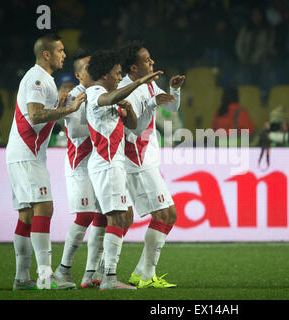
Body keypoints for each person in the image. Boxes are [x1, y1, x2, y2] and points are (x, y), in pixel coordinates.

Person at [6, 33, 87, 290]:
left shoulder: (43, 79)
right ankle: (44, 276)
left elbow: (43, 112)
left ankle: (22, 278)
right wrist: (68, 109)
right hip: (27, 154)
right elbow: (36, 115)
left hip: (24, 154)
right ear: (47, 54)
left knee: (27, 213)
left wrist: (59, 104)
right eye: (61, 50)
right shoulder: (38, 77)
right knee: (44, 207)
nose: (65, 54)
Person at [85, 48, 162, 290]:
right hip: (106, 163)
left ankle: (98, 274)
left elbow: (133, 124)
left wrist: (128, 110)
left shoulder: (112, 94)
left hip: (114, 163)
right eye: (117, 73)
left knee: (123, 216)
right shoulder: (97, 91)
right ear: (105, 75)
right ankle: (108, 278)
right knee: (117, 217)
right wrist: (138, 83)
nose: (120, 77)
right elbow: (107, 100)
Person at [118, 40, 184, 289]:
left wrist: (173, 90)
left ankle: (142, 273)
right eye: (147, 60)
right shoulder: (126, 89)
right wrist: (154, 103)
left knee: (167, 215)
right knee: (166, 214)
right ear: (134, 68)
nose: (152, 62)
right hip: (135, 160)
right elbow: (133, 126)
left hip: (146, 158)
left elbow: (170, 105)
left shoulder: (148, 84)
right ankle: (144, 275)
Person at [53, 49, 107, 288]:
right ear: (78, 74)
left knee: (102, 216)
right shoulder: (76, 95)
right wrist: (104, 126)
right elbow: (74, 131)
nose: (93, 71)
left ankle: (91, 273)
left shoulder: (100, 92)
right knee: (85, 215)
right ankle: (63, 270)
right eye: (87, 67)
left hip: (99, 162)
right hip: (80, 162)